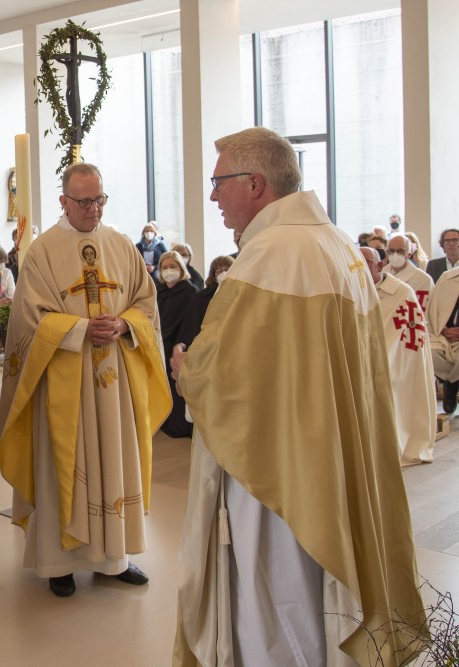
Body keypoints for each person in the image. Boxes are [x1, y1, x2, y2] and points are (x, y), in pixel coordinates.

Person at [171, 127, 424, 667]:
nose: (213, 196)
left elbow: (229, 376)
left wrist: (187, 370)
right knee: (315, 595)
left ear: (255, 183)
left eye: (218, 182)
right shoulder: (335, 245)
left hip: (276, 468)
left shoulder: (270, 255)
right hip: (328, 455)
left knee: (271, 597)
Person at [0, 162, 170, 598]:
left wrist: (125, 325)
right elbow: (28, 322)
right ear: (63, 202)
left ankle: (115, 558)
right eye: (84, 201)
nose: (94, 209)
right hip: (64, 382)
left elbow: (146, 304)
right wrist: (78, 330)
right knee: (64, 467)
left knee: (114, 460)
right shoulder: (41, 252)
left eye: (100, 199)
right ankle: (59, 563)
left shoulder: (121, 246)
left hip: (113, 383)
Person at [360, 247, 435, 465]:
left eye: (364, 262)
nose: (358, 268)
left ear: (379, 266)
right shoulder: (351, 289)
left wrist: (380, 360)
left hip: (395, 360)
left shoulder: (402, 293)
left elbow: (410, 341)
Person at [156, 251, 198, 439]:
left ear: (181, 269)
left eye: (172, 266)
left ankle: (177, 426)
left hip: (176, 345)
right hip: (159, 344)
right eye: (164, 267)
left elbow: (190, 322)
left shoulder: (189, 291)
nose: (168, 271)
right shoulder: (160, 290)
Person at [175, 255, 234, 351]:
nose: (224, 273)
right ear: (214, 275)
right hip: (207, 346)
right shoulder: (201, 297)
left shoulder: (240, 294)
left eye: (227, 269)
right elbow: (191, 325)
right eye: (219, 271)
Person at [427, 265, 459, 413]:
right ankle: (453, 380)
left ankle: (450, 388)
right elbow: (433, 310)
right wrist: (443, 330)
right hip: (442, 334)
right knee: (429, 353)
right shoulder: (447, 278)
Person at [385, 234, 433, 311]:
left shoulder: (424, 279)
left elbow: (428, 310)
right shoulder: (380, 275)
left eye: (400, 251)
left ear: (409, 254)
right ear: (387, 252)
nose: (395, 255)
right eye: (391, 251)